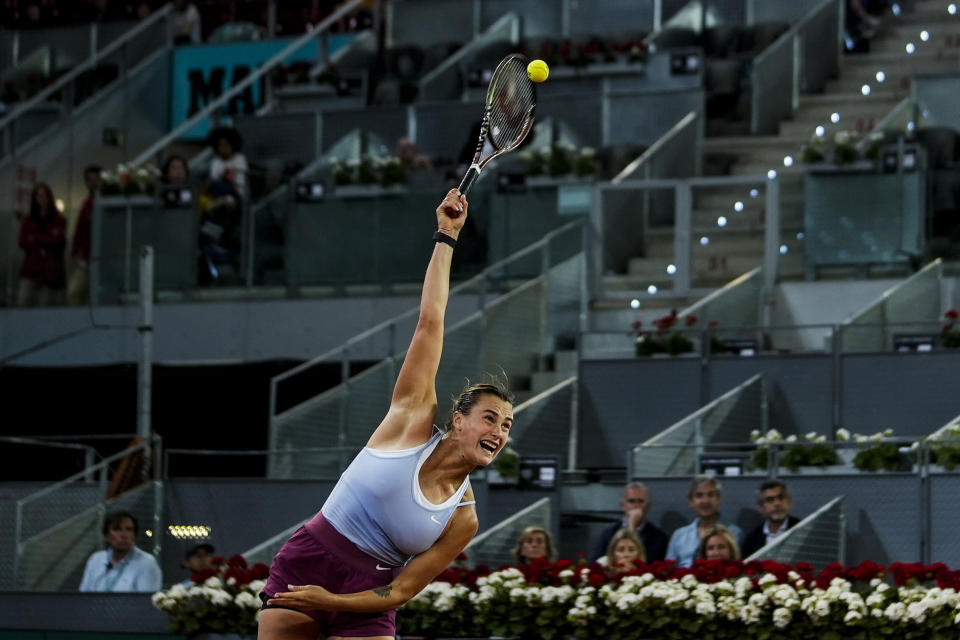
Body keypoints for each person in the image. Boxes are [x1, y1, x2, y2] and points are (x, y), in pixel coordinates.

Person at [260, 189, 513, 640]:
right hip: (311, 556)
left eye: (507, 425)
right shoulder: (412, 419)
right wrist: (447, 236)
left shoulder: (464, 518)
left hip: (370, 595)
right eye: (491, 418)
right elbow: (430, 322)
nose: (499, 431)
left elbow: (400, 591)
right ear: (457, 419)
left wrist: (332, 602)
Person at [665, 475, 742, 568]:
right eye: (699, 495)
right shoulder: (679, 536)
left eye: (710, 495)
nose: (705, 501)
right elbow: (668, 570)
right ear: (690, 501)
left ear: (719, 499)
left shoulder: (733, 532)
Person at [79, 510, 162, 592]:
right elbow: (84, 596)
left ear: (134, 535)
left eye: (129, 529)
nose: (123, 535)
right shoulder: (96, 560)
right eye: (117, 529)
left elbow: (146, 602)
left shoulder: (146, 562)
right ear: (106, 535)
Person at [589, 482, 669, 563]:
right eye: (631, 501)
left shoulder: (658, 537)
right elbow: (594, 563)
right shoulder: (609, 531)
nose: (636, 505)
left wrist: (632, 526)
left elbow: (651, 564)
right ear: (622, 505)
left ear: (648, 506)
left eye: (641, 501)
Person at [17, 183, 67, 306]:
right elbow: (23, 242)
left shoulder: (58, 219)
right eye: (38, 195)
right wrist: (46, 239)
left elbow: (56, 241)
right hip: (32, 267)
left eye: (44, 195)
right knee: (23, 300)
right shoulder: (29, 220)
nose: (41, 198)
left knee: (45, 303)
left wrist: (35, 237)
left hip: (50, 270)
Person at [740, 480, 802, 558]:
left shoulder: (802, 529)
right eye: (770, 500)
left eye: (781, 498)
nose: (777, 503)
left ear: (789, 502)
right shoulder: (752, 539)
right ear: (760, 507)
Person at [67, 165, 102, 305]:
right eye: (90, 180)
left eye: (96, 179)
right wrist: (75, 252)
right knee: (74, 292)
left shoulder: (110, 201)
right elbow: (80, 231)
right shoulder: (87, 205)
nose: (94, 183)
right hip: (88, 258)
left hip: (108, 259)